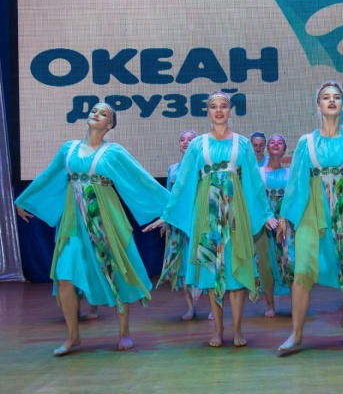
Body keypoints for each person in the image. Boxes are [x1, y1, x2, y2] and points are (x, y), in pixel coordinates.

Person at [15, 103, 169, 356]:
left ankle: (124, 332)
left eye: (104, 113)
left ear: (110, 125)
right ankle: (73, 336)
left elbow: (141, 179)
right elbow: (49, 175)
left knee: (117, 271)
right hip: (74, 224)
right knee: (64, 277)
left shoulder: (113, 152)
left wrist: (169, 209)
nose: (97, 114)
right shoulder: (69, 149)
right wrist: (24, 199)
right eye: (95, 110)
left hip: (105, 221)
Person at [144, 91, 277, 347]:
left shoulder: (242, 144)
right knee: (211, 273)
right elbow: (184, 183)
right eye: (213, 106)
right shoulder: (198, 145)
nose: (218, 110)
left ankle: (237, 330)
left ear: (230, 110)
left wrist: (266, 214)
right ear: (207, 112)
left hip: (235, 215)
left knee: (236, 275)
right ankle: (218, 330)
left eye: (223, 106)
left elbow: (253, 182)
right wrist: (168, 215)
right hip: (207, 215)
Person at [276, 81, 343, 351]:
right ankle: (296, 333)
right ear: (318, 105)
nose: (331, 100)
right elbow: (296, 181)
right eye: (325, 97)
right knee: (303, 271)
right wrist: (285, 217)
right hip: (312, 213)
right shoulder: (306, 142)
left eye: (336, 97)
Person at [155, 130, 203, 320]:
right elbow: (169, 197)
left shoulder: (202, 167)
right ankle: (191, 307)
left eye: (190, 139)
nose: (185, 142)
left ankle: (214, 306)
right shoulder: (173, 169)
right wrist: (165, 221)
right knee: (183, 266)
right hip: (178, 224)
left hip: (198, 220)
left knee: (204, 260)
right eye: (182, 139)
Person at [255, 134, 295, 317]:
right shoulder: (259, 172)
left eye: (280, 143)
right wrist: (265, 218)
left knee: (290, 261)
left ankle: (295, 304)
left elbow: (294, 198)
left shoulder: (290, 173)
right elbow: (255, 199)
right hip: (264, 223)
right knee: (266, 264)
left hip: (285, 223)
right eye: (272, 142)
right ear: (267, 148)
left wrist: (284, 219)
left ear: (284, 149)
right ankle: (270, 306)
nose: (276, 145)